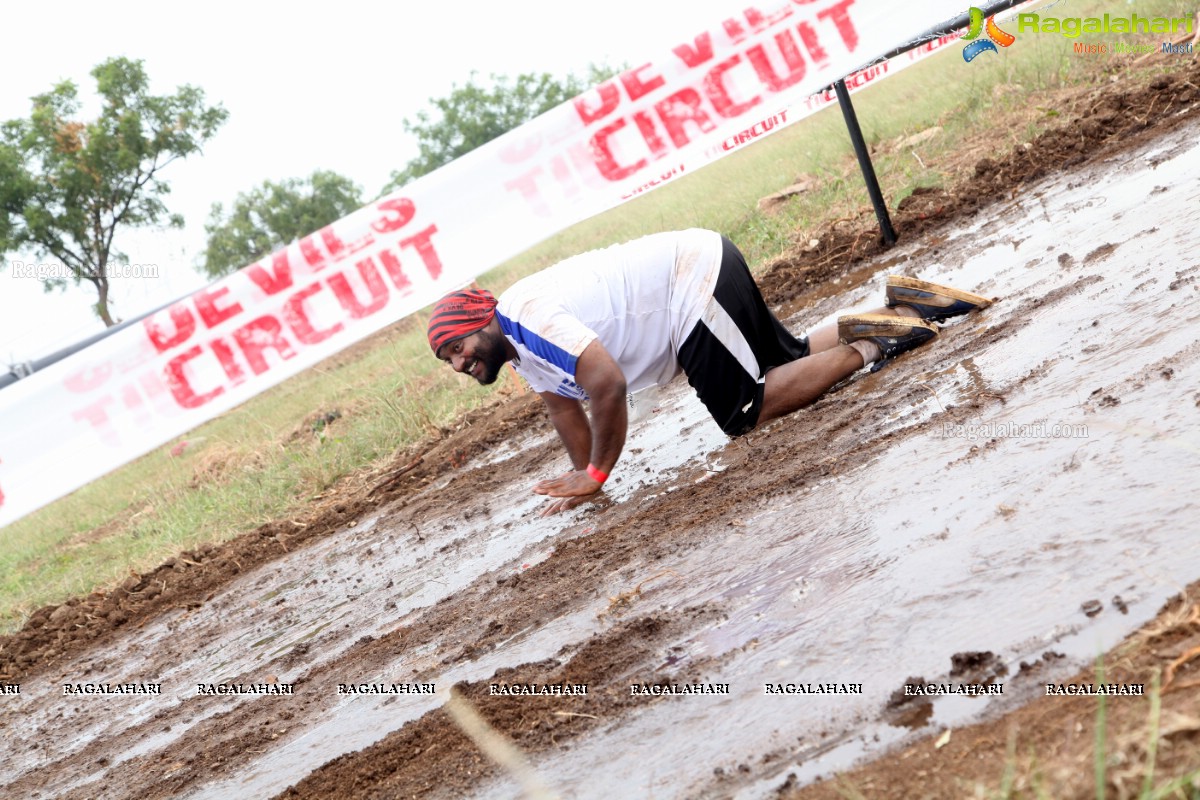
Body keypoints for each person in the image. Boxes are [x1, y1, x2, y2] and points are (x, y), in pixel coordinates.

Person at [428, 229, 990, 515]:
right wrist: (583, 485)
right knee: (785, 362)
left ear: (481, 319)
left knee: (745, 410)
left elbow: (606, 385)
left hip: (689, 279)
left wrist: (597, 473)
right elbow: (563, 406)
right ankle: (896, 305)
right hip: (694, 267)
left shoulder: (522, 316)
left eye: (457, 346)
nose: (459, 363)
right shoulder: (521, 351)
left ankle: (876, 343)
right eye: (447, 360)